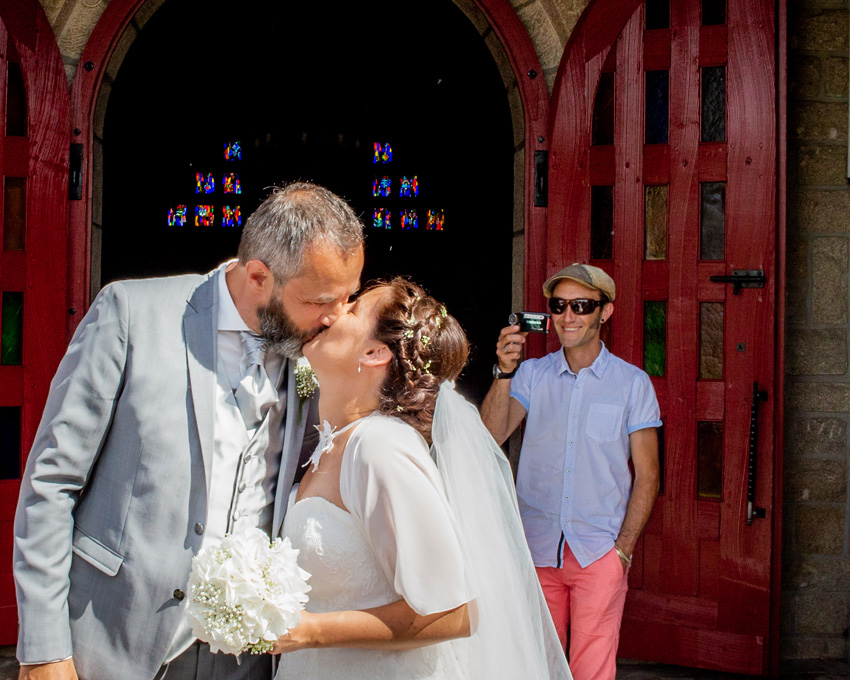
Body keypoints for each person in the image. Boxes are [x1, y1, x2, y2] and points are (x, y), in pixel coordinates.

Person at [13, 182, 364, 680]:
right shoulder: (131, 314)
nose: (337, 318)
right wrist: (44, 648)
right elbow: (51, 483)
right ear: (259, 277)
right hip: (116, 639)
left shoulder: (310, 356)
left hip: (246, 656)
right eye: (321, 301)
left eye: (348, 297)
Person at [271, 278, 571, 679]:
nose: (333, 310)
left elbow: (453, 612)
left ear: (376, 352)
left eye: (354, 307)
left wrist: (308, 630)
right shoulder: (333, 443)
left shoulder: (380, 446)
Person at [480, 263, 661, 680]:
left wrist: (623, 551)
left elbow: (648, 476)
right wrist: (504, 372)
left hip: (598, 553)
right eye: (558, 305)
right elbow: (491, 436)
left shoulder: (632, 384)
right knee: (533, 668)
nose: (568, 316)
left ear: (605, 312)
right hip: (537, 550)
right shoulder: (531, 374)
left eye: (581, 305)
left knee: (591, 672)